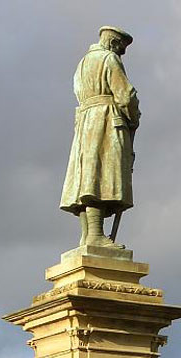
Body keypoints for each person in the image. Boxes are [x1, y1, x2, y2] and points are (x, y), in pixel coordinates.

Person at [60, 26, 140, 248]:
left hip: (86, 123)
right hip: (106, 121)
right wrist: (134, 115)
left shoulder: (82, 64)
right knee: (101, 176)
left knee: (88, 175)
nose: (121, 54)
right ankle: (94, 235)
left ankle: (88, 235)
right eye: (121, 49)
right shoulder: (110, 60)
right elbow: (126, 95)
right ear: (115, 44)